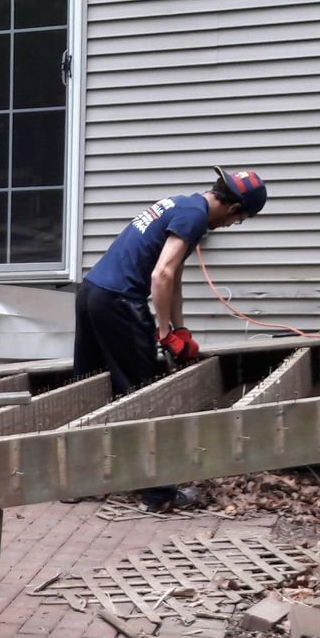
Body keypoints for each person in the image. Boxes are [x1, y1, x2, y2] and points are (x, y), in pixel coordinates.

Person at [73, 166, 269, 507]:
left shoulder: (182, 204)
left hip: (92, 293)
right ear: (235, 209)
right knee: (145, 395)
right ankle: (159, 494)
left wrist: (179, 328)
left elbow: (173, 276)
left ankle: (77, 482)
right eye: (239, 220)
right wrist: (164, 333)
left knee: (88, 386)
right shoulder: (194, 217)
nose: (232, 225)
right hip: (120, 301)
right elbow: (160, 274)